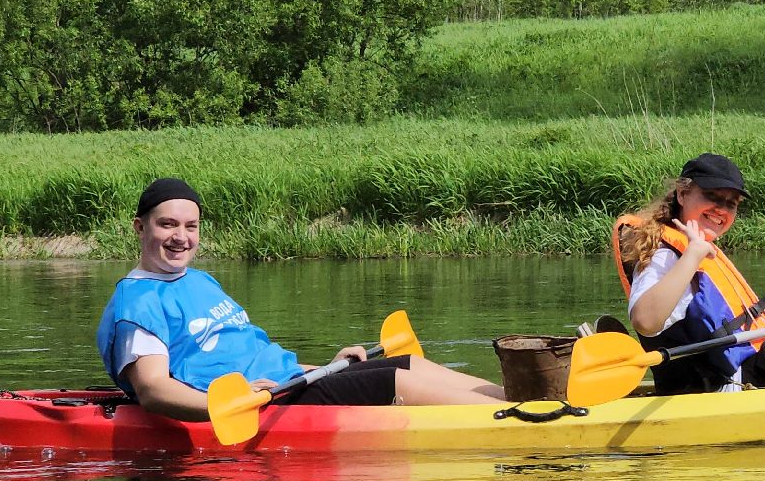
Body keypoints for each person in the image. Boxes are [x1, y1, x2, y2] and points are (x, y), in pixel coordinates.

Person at [97, 177, 505, 420]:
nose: (180, 237)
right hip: (265, 403)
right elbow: (152, 390)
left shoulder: (200, 280)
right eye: (167, 224)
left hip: (290, 382)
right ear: (140, 227)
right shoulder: (139, 302)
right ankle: (517, 422)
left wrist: (329, 367)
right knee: (393, 380)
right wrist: (228, 404)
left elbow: (259, 358)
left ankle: (522, 400)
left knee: (406, 362)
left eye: (191, 225)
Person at [612, 153, 765, 395]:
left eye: (731, 203)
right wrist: (693, 254)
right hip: (727, 386)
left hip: (745, 368)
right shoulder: (665, 255)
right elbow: (645, 321)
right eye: (712, 195)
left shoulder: (687, 248)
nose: (721, 209)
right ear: (682, 194)